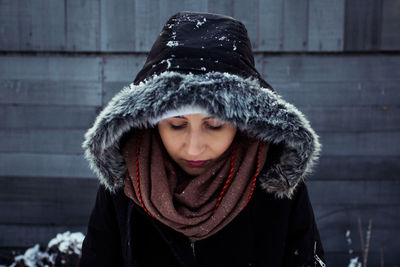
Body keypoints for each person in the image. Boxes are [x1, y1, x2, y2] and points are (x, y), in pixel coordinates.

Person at [79, 11, 326, 267]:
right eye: (176, 125)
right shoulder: (123, 184)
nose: (194, 148)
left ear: (242, 124)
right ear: (152, 121)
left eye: (215, 125)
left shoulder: (277, 187)